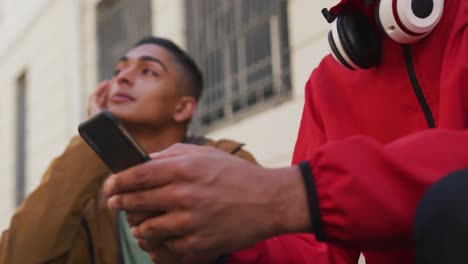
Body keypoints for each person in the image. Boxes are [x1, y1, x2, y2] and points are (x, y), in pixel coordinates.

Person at [102, 0, 468, 264]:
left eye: (148, 70)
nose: (124, 77)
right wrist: (222, 248)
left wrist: (292, 193)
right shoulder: (328, 85)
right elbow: (316, 250)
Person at [0, 36, 257, 264]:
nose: (121, 78)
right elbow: (16, 257)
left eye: (148, 71)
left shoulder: (226, 160)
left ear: (182, 108)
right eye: (118, 70)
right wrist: (97, 134)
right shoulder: (93, 201)